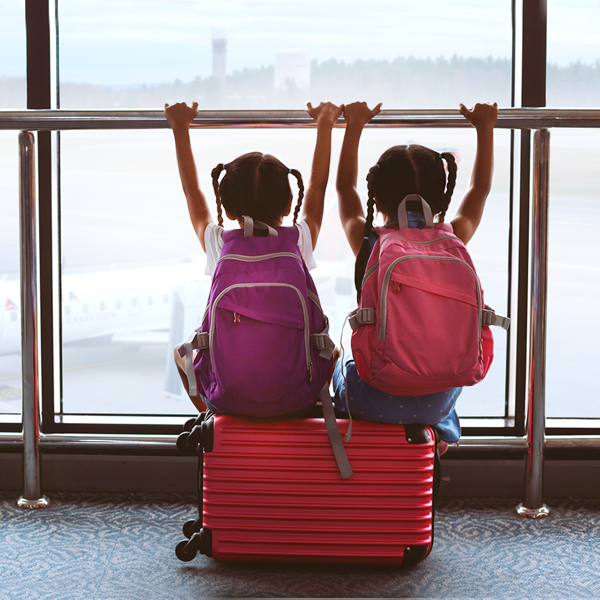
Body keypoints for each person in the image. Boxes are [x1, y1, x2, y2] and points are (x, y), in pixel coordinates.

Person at [334, 100, 499, 454]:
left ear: (376, 197)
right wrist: (485, 128)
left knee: (337, 362)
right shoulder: (453, 238)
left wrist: (355, 125)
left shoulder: (371, 243)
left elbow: (345, 190)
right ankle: (440, 430)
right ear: (442, 196)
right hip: (438, 398)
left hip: (374, 398)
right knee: (437, 372)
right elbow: (480, 190)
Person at [164, 100, 343, 413]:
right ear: (289, 206)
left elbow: (192, 192)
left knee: (182, 355)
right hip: (294, 396)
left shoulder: (220, 245)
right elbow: (318, 185)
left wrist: (180, 128)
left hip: (229, 398)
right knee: (334, 352)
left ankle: (213, 416)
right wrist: (325, 124)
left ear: (229, 209)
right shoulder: (298, 241)